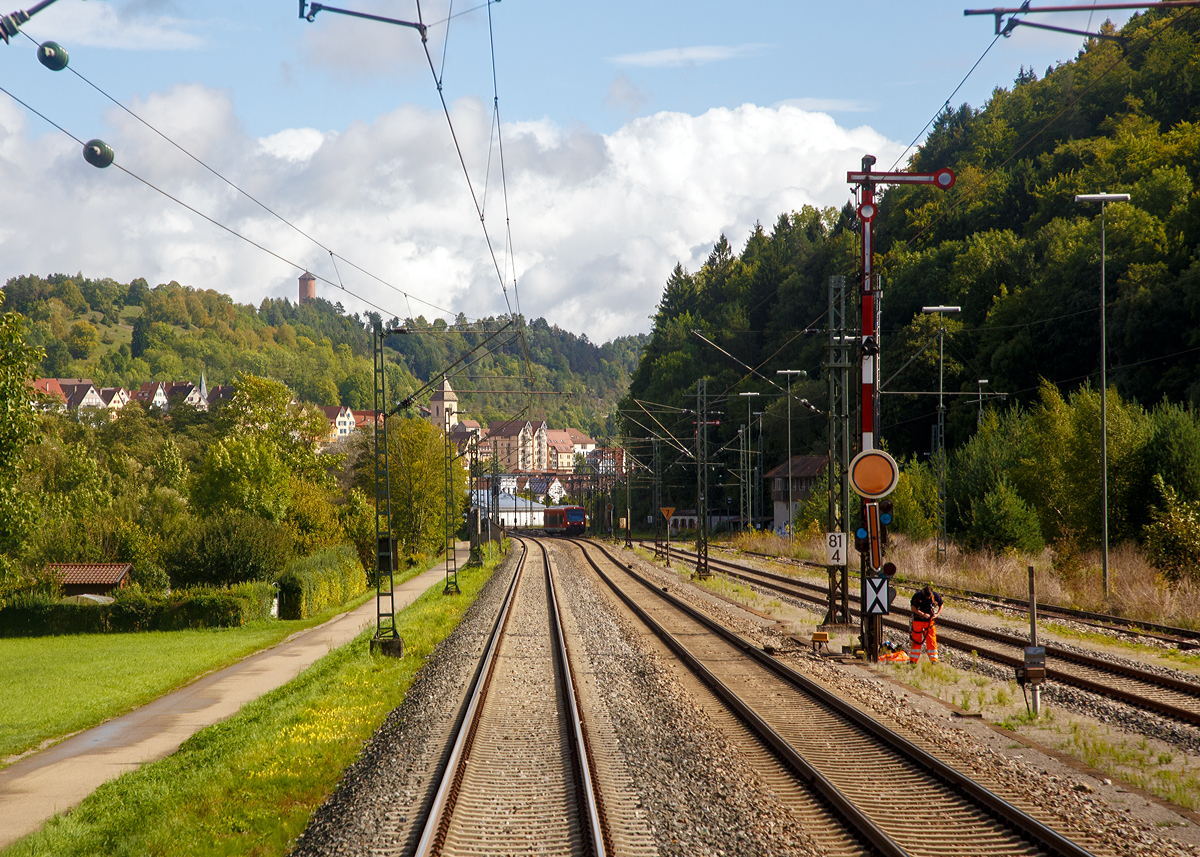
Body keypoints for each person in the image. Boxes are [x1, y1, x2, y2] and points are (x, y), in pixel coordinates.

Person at [909, 583, 943, 664]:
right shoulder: (917, 596)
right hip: (918, 620)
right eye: (927, 597)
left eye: (929, 596)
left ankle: (934, 660)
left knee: (931, 640)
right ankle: (913, 660)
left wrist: (937, 614)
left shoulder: (935, 596)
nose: (928, 598)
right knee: (916, 640)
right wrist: (922, 614)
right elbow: (913, 608)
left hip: (929, 622)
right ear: (923, 593)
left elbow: (941, 604)